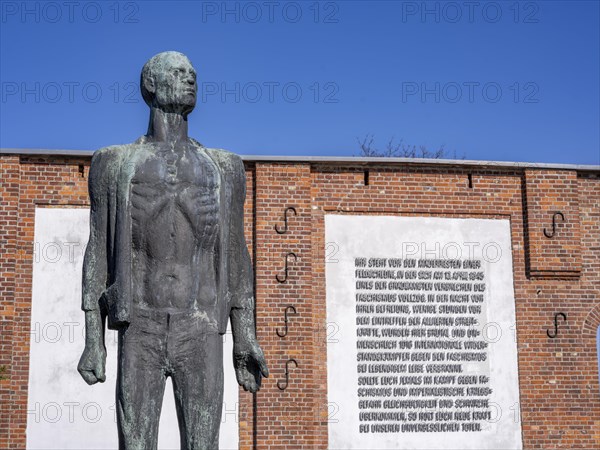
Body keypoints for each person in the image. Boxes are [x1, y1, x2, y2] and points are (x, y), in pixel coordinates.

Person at [77, 51, 268, 450]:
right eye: (178, 73)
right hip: (139, 326)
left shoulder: (224, 167)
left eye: (193, 73)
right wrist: (94, 340)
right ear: (151, 85)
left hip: (200, 327)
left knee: (204, 444)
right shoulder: (113, 164)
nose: (190, 79)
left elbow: (235, 255)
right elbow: (97, 251)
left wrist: (244, 336)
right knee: (136, 443)